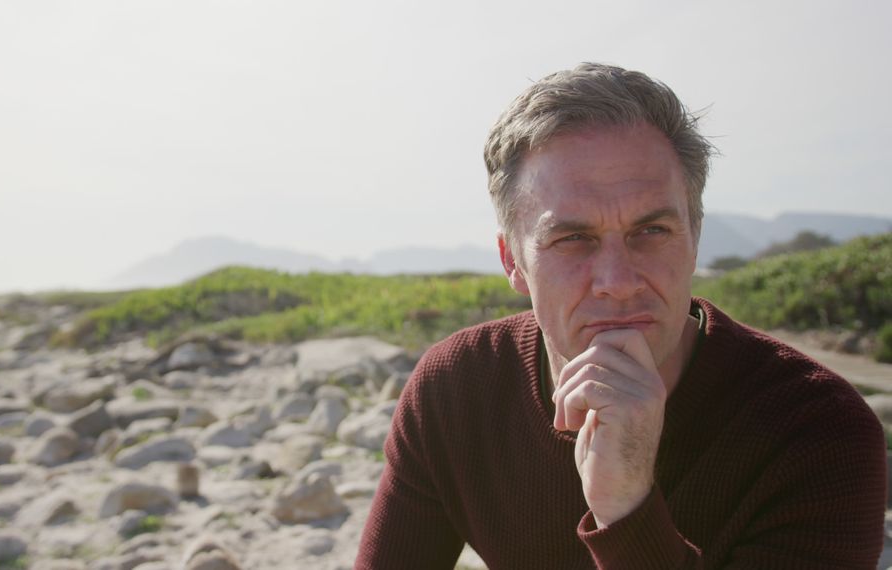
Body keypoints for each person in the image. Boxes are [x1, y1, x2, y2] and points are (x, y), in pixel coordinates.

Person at [354, 63, 887, 569]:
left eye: (651, 232)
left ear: (694, 238)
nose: (617, 281)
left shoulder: (819, 431)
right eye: (572, 239)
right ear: (512, 261)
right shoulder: (458, 389)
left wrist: (626, 506)